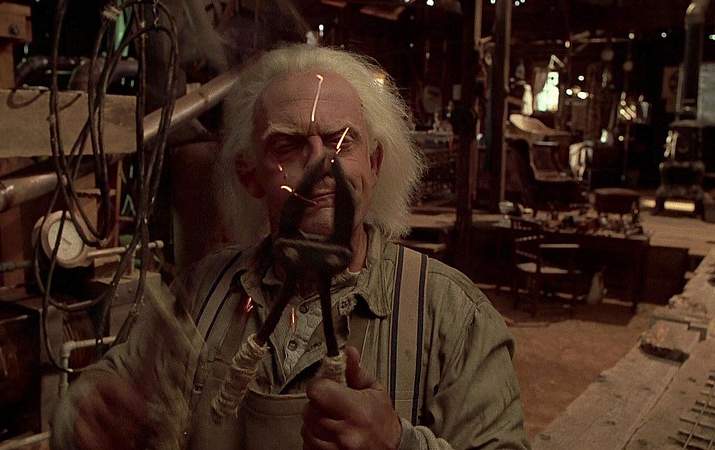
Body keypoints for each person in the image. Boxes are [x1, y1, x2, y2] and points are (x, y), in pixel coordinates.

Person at [51, 44, 530, 450]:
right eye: (288, 146)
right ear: (249, 176)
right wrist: (85, 418)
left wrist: (398, 442)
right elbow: (97, 402)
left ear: (375, 163)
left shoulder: (452, 317)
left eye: (342, 142)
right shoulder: (199, 296)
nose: (321, 166)